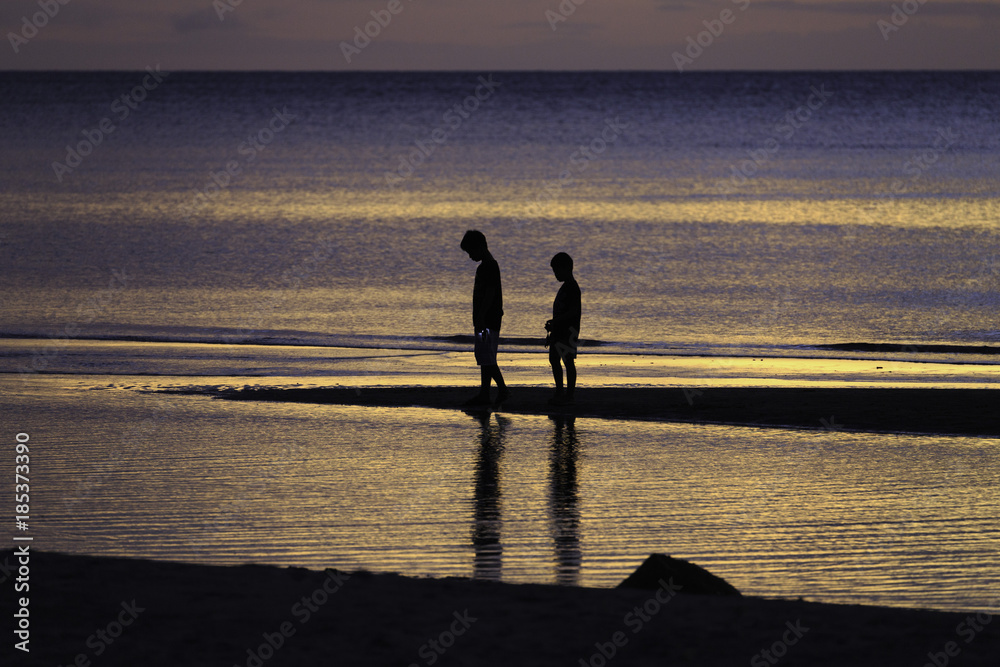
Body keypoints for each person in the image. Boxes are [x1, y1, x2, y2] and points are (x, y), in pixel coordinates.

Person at [460, 230, 509, 406]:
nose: (470, 256)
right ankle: (485, 393)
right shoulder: (488, 266)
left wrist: (481, 317)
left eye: (471, 252)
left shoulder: (488, 267)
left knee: (486, 356)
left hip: (487, 321)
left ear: (480, 247)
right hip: (487, 320)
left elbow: (490, 294)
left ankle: (502, 389)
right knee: (484, 356)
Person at [545, 252, 581, 405]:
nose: (555, 274)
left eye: (557, 271)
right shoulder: (565, 287)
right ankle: (559, 392)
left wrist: (556, 321)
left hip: (568, 331)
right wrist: (553, 324)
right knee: (554, 359)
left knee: (568, 362)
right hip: (558, 330)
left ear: (566, 268)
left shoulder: (572, 287)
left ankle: (569, 395)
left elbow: (573, 311)